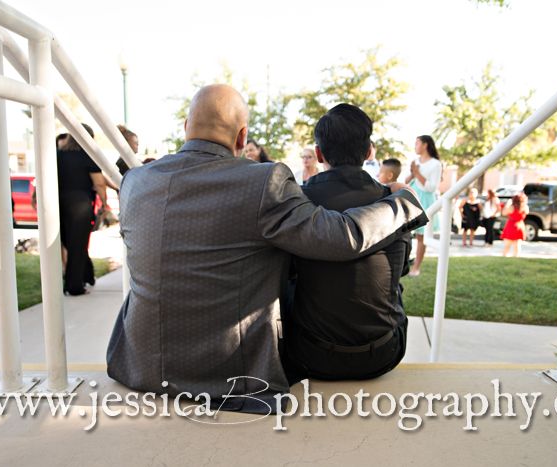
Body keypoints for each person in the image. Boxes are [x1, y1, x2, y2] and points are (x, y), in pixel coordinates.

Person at [106, 84, 427, 414]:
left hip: (139, 364)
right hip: (226, 377)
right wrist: (403, 203)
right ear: (242, 137)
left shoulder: (135, 182)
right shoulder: (263, 182)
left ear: (186, 128)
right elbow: (340, 238)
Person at [284, 104, 418, 383]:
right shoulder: (393, 203)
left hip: (310, 355)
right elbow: (402, 268)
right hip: (384, 353)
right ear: (370, 151)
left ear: (319, 154)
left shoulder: (296, 202)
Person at [57, 124, 107, 295]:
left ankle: (87, 275)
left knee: (70, 244)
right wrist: (105, 203)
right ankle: (74, 286)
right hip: (80, 204)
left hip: (58, 203)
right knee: (78, 245)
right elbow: (99, 182)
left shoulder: (58, 154)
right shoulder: (88, 156)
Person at [405, 135, 442, 276]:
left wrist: (417, 172)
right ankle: (405, 263)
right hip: (412, 196)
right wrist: (412, 173)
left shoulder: (436, 164)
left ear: (425, 145)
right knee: (406, 231)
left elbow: (431, 188)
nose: (415, 146)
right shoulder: (415, 161)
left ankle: (416, 267)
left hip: (425, 200)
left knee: (421, 236)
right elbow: (407, 180)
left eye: (417, 143)